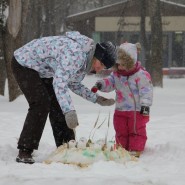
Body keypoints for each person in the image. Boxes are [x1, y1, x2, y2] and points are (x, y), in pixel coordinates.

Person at [12, 31, 116, 164]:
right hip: (24, 63)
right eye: (101, 65)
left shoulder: (85, 60)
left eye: (103, 68)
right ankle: (25, 150)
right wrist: (69, 112)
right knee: (41, 103)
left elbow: (73, 83)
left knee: (58, 104)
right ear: (97, 56)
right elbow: (59, 83)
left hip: (43, 70)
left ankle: (67, 147)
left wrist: (96, 98)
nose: (100, 69)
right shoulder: (76, 55)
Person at [91, 42, 153, 157]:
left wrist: (145, 106)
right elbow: (109, 82)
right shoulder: (116, 75)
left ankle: (135, 149)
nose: (119, 67)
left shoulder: (141, 75)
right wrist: (101, 85)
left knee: (136, 130)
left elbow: (146, 91)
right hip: (120, 109)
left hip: (136, 111)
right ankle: (121, 148)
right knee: (120, 129)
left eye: (123, 64)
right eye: (118, 64)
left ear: (131, 63)